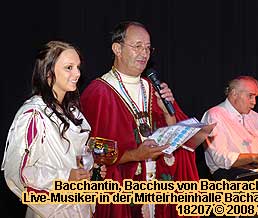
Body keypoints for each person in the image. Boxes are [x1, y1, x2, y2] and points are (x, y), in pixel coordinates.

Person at [81, 21, 199, 218]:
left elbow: (179, 143)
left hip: (159, 189)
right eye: (137, 46)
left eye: (148, 48)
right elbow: (92, 153)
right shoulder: (99, 92)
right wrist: (135, 155)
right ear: (117, 48)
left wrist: (169, 114)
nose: (144, 53)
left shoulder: (154, 88)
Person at [1, 41, 106, 218]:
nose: (77, 73)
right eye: (69, 67)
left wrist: (91, 168)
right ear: (49, 72)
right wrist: (66, 178)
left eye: (78, 67)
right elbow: (17, 173)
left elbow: (74, 157)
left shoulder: (72, 112)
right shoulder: (33, 114)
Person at [201, 75, 258, 180]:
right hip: (231, 176)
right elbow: (220, 158)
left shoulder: (255, 117)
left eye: (255, 97)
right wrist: (255, 157)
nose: (254, 102)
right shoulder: (214, 115)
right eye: (250, 96)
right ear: (234, 93)